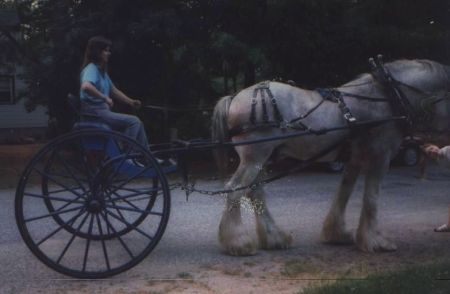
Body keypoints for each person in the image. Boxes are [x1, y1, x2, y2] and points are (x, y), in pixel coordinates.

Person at [79, 36, 149, 151]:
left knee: (137, 123)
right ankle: (125, 154)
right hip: (95, 114)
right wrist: (104, 98)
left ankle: (146, 157)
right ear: (98, 52)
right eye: (105, 50)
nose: (109, 53)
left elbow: (114, 91)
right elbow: (86, 86)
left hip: (101, 112)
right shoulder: (91, 69)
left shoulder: (101, 72)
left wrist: (131, 102)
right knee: (134, 122)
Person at [422, 144, 450, 232]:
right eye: (430, 153)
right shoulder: (439, 160)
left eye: (432, 148)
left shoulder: (447, 150)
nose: (433, 151)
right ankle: (449, 226)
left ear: (435, 146)